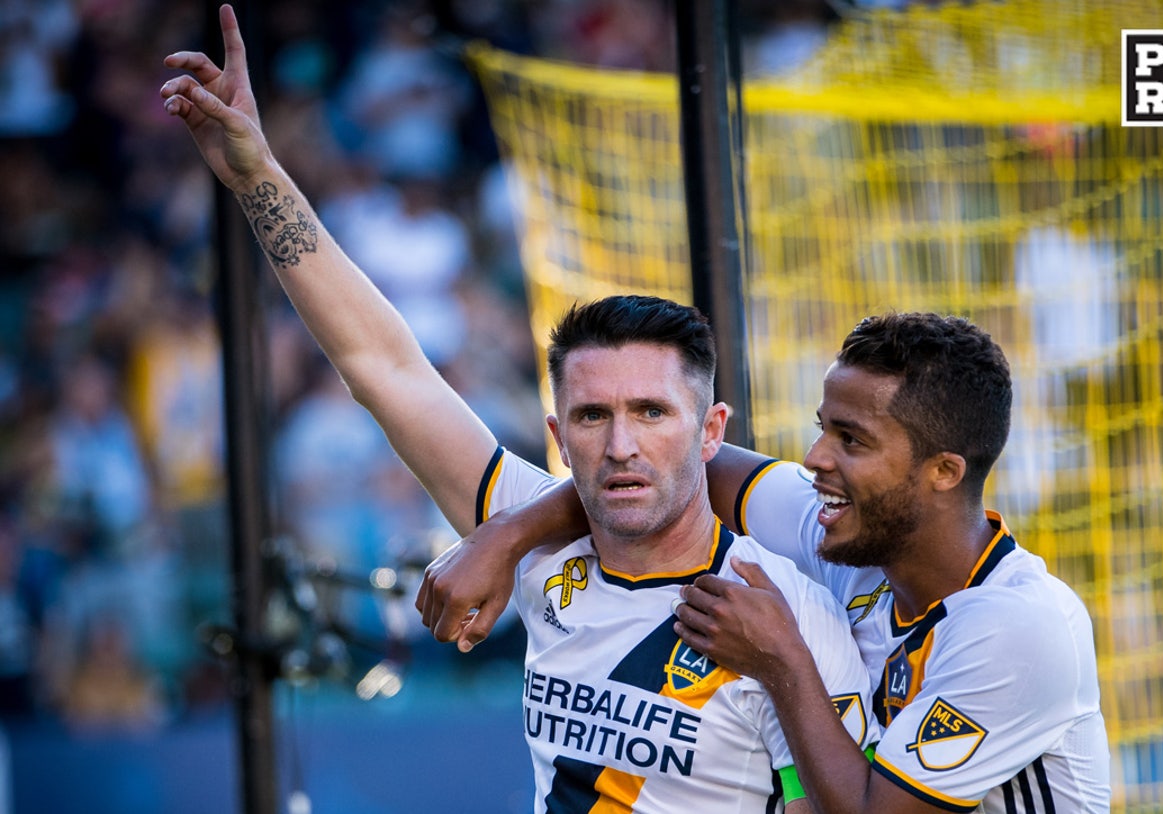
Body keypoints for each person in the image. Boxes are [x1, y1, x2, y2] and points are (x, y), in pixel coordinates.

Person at [161, 8, 875, 810]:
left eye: (652, 412)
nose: (622, 446)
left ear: (713, 431)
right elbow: (385, 369)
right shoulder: (535, 540)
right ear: (557, 436)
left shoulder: (778, 613)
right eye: (593, 416)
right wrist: (259, 177)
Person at [422, 314, 1112, 812]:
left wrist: (781, 660)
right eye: (823, 429)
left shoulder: (1022, 625)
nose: (815, 459)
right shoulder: (842, 533)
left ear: (942, 471)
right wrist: (506, 536)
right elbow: (675, 467)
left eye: (851, 439)